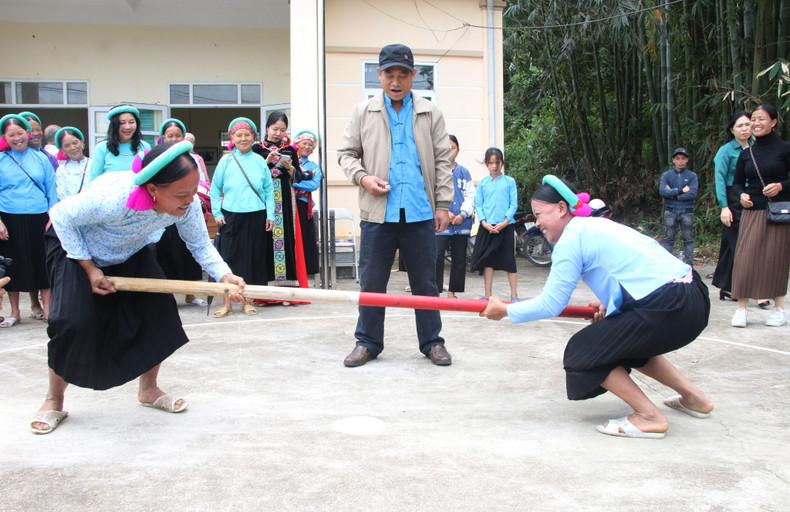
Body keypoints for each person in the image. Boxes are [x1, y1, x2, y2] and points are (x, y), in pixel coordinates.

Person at [31, 141, 247, 434]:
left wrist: (225, 276)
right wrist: (90, 268)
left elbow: (198, 243)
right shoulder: (113, 198)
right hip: (76, 250)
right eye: (181, 194)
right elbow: (60, 217)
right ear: (153, 189)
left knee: (159, 314)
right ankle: (53, 399)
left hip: (130, 251)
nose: (189, 200)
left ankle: (148, 390)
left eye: (193, 191)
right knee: (70, 324)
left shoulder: (189, 204)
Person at [481, 175, 714, 439]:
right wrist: (611, 303)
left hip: (670, 304)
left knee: (582, 352)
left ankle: (649, 417)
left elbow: (552, 303)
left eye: (538, 214)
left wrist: (506, 310)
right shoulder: (594, 226)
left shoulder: (571, 237)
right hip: (692, 297)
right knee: (620, 343)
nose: (537, 223)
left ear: (561, 208)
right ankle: (696, 399)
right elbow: (634, 268)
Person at [337, 43, 454, 367]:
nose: (397, 80)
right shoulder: (364, 111)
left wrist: (442, 204)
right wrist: (363, 178)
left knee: (425, 283)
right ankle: (368, 343)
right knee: (373, 281)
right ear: (379, 75)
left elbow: (444, 160)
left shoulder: (430, 112)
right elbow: (346, 154)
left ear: (414, 75)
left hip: (419, 211)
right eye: (390, 73)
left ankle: (432, 342)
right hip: (378, 214)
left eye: (404, 74)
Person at [730, 104, 790, 328]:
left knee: (776, 259)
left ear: (774, 122)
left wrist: (781, 186)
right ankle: (741, 309)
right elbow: (736, 184)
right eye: (752, 119)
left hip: (778, 211)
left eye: (761, 119)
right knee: (746, 258)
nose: (755, 123)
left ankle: (779, 309)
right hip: (752, 211)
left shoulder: (785, 149)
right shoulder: (747, 153)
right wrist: (742, 195)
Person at [210, 118, 274, 317]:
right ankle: (227, 303)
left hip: (256, 216)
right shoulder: (226, 161)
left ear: (254, 137)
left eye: (247, 134)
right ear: (232, 138)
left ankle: (248, 301)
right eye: (239, 135)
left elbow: (269, 190)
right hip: (231, 217)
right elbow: (214, 189)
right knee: (229, 259)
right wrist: (217, 213)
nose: (243, 138)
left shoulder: (260, 162)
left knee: (253, 259)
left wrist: (270, 215)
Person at [0, 114, 58, 327]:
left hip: (39, 217)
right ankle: (15, 311)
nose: (17, 138)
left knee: (42, 262)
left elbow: (52, 189)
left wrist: (52, 216)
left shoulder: (41, 158)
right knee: (12, 264)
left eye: (20, 133)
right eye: (11, 135)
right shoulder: (1, 159)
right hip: (9, 218)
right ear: (5, 137)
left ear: (28, 133)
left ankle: (48, 310)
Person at [252, 112, 309, 303]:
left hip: (284, 199)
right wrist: (267, 162)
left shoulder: (290, 150)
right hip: (265, 200)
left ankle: (286, 292)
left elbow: (299, 177)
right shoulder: (256, 149)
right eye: (275, 129)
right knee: (266, 241)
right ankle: (266, 294)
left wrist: (290, 168)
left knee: (285, 240)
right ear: (267, 128)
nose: (278, 133)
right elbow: (253, 175)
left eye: (283, 130)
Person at [155, 119, 207, 306]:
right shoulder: (157, 159)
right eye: (171, 135)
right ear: (163, 138)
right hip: (162, 214)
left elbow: (202, 183)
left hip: (185, 210)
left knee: (187, 252)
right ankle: (167, 296)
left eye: (178, 135)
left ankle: (190, 294)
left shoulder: (192, 159)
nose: (175, 139)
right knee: (165, 254)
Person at [711, 111, 753, 301]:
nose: (745, 129)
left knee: (730, 245)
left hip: (753, 198)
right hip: (732, 199)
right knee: (741, 245)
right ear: (732, 129)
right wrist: (724, 206)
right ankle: (748, 289)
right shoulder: (726, 151)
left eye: (747, 124)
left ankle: (727, 287)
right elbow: (719, 179)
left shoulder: (755, 148)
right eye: (740, 125)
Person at [470, 147, 519, 301]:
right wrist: (483, 222)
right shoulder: (483, 184)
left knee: (509, 261)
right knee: (488, 261)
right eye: (491, 163)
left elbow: (513, 204)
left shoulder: (510, 182)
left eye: (497, 162)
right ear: (486, 164)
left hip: (505, 226)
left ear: (502, 163)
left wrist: (505, 221)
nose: (494, 166)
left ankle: (514, 294)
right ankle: (488, 294)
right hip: (488, 227)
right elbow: (479, 204)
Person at [435, 135, 475, 298]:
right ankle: (435, 290)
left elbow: (470, 196)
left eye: (452, 147)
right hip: (441, 223)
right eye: (446, 147)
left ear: (458, 149)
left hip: (461, 224)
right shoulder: (436, 171)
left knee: (459, 259)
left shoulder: (463, 172)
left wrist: (462, 214)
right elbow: (431, 194)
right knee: (436, 257)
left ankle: (452, 292)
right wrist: (443, 210)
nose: (449, 151)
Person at [88, 105, 151, 182]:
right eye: (122, 123)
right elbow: (93, 180)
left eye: (131, 122)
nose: (127, 127)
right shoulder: (102, 148)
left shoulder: (145, 146)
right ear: (114, 125)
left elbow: (149, 176)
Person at [659, 148, 698, 266]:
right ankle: (667, 266)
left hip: (687, 211)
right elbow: (663, 192)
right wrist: (681, 191)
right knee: (669, 239)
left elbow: (692, 194)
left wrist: (674, 195)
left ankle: (689, 265)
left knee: (688, 240)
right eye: (677, 159)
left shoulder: (692, 176)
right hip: (671, 211)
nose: (680, 161)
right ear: (673, 160)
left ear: (687, 160)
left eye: (683, 159)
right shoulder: (667, 175)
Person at [291, 130, 322, 277]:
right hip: (287, 204)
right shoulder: (288, 160)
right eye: (305, 143)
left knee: (304, 239)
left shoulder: (314, 166)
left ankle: (304, 271)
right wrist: (302, 181)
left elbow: (314, 185)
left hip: (303, 206)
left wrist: (293, 182)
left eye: (311, 145)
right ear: (297, 143)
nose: (307, 147)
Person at [54, 127, 91, 200]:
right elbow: (61, 196)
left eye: (75, 143)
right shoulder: (61, 170)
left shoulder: (94, 164)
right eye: (67, 146)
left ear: (82, 143)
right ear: (62, 150)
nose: (73, 148)